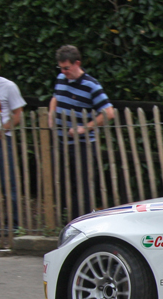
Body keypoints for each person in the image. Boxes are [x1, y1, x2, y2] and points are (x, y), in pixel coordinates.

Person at [48, 45, 114, 221]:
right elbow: (55, 97)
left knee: (82, 186)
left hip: (83, 146)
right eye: (61, 68)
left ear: (77, 63)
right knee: (62, 183)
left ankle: (81, 221)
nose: (63, 72)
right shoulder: (61, 78)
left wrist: (84, 128)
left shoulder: (91, 85)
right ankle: (65, 220)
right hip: (61, 143)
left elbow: (109, 113)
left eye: (66, 68)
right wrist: (51, 114)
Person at [0, 52, 27, 231]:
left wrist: (3, 130)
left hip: (2, 141)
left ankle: (14, 222)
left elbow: (18, 113)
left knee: (8, 181)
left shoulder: (8, 86)